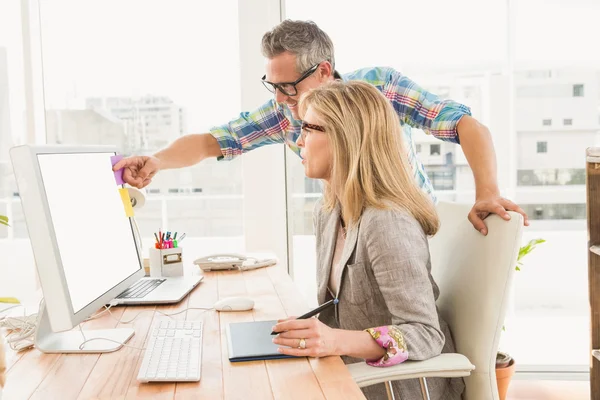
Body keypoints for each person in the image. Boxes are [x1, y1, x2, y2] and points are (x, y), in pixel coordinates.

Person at [114, 19, 528, 235]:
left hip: (407, 231)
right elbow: (212, 142)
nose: (280, 99)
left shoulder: (379, 87)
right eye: (272, 87)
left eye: (288, 87)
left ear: (324, 70)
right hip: (349, 242)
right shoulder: (284, 111)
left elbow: (466, 126)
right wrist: (157, 161)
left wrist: (487, 193)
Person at [271, 80, 464, 399]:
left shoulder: (387, 222)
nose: (299, 139)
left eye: (309, 128)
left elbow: (426, 335)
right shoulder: (329, 210)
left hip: (397, 389)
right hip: (347, 376)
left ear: (345, 139)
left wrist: (334, 340)